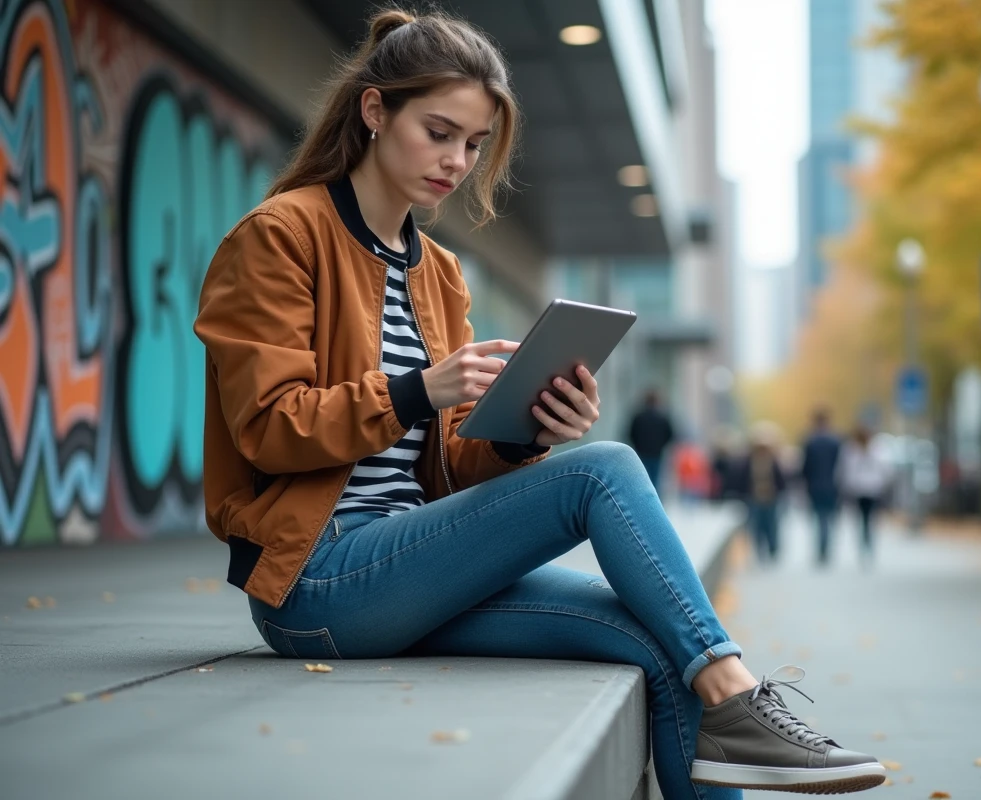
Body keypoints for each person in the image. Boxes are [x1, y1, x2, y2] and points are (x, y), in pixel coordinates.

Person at [192, 9, 883, 797]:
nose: (456, 161)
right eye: (439, 132)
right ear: (375, 111)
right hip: (318, 583)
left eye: (474, 144)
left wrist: (525, 433)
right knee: (603, 471)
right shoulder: (281, 236)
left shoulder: (439, 272)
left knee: (661, 647)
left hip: (415, 565)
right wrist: (421, 389)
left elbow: (451, 468)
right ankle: (738, 698)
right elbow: (266, 431)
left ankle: (726, 703)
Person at [837, 425, 893, 566]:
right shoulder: (854, 450)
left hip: (866, 489)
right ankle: (866, 545)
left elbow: (845, 471)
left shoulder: (873, 449)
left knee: (865, 520)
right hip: (866, 489)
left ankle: (866, 545)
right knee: (867, 519)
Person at [737, 424, 788, 563]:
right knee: (757, 526)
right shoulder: (749, 460)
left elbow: (780, 479)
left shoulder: (773, 460)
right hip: (754, 498)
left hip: (770, 497)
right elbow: (743, 478)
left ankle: (773, 548)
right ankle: (760, 551)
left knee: (771, 525)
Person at [799, 409, 841, 567]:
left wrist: (804, 482)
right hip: (832, 485)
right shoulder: (835, 440)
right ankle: (825, 547)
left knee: (819, 518)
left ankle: (821, 548)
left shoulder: (810, 441)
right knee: (828, 518)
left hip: (815, 486)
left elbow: (805, 467)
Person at [628, 389, 676, 495]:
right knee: (655, 480)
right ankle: (653, 502)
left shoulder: (638, 417)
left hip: (641, 453)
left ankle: (642, 500)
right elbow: (670, 435)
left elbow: (630, 434)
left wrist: (638, 445)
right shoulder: (662, 418)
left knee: (642, 479)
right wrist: (661, 446)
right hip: (656, 454)